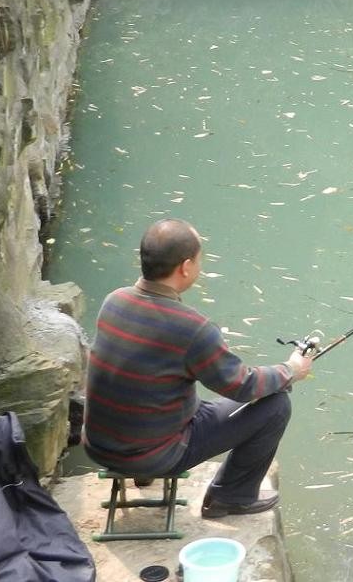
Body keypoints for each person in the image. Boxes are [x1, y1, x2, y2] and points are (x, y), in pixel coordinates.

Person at [83, 218, 314, 517]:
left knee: (163, 391)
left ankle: (144, 472)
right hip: (155, 453)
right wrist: (290, 370)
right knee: (276, 405)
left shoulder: (113, 301)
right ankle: (230, 496)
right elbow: (241, 385)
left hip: (99, 446)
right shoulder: (192, 328)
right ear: (186, 267)